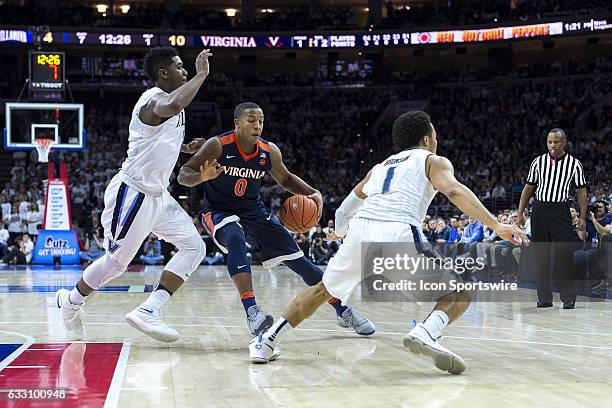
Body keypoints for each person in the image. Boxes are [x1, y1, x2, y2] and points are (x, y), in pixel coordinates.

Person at [249, 111, 528, 373]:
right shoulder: (433, 160)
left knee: (322, 290)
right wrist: (495, 224)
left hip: (361, 232)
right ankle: (426, 331)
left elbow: (346, 209)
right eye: (435, 136)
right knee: (459, 293)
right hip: (398, 232)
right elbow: (453, 190)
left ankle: (266, 342)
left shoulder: (379, 167)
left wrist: (341, 232)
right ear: (427, 139)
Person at [55, 46, 213, 343]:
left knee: (195, 247)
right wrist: (202, 74)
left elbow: (157, 140)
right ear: (163, 74)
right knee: (116, 263)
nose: (185, 71)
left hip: (159, 195)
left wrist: (185, 148)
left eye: (186, 68)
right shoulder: (152, 101)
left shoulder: (170, 103)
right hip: (134, 193)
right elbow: (171, 108)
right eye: (180, 67)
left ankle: (148, 310)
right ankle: (71, 301)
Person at [177, 102, 374, 336]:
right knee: (235, 239)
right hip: (218, 211)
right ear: (237, 123)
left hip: (254, 211)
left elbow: (286, 179)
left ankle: (342, 309)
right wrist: (201, 176)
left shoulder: (269, 151)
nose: (257, 125)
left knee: (300, 263)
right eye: (251, 120)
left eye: (260, 121)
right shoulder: (217, 145)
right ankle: (253, 312)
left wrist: (312, 192)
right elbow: (183, 175)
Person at [517, 128, 587, 309]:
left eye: (556, 142)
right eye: (550, 142)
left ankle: (568, 297)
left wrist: (582, 217)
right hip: (539, 211)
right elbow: (528, 189)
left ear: (564, 143)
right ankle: (544, 297)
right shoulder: (538, 162)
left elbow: (581, 192)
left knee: (564, 256)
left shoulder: (574, 164)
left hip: (561, 211)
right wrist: (520, 214)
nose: (553, 145)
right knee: (541, 256)